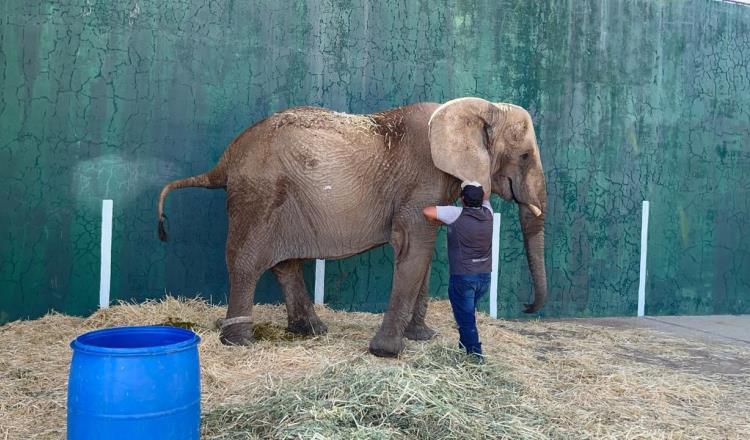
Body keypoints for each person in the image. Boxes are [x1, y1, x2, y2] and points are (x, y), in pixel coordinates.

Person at [422, 181, 492, 360]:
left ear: (462, 199)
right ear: (482, 198)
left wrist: (442, 222)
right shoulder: (488, 213)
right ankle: (463, 347)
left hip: (463, 278)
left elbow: (427, 211)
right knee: (466, 315)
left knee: (466, 320)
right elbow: (485, 197)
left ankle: (475, 357)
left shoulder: (455, 214)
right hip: (484, 277)